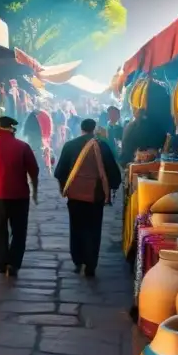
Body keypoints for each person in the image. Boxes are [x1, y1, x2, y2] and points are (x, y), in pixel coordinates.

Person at [54, 118, 122, 277]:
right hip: (95, 196)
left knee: (76, 227)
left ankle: (77, 260)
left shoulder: (70, 145)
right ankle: (91, 263)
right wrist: (113, 186)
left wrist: (65, 187)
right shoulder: (102, 145)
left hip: (75, 196)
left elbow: (59, 172)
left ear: (81, 128)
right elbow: (112, 170)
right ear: (94, 129)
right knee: (93, 228)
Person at [0, 115, 39, 276]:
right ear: (13, 130)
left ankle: (1, 263)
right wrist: (35, 192)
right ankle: (14, 263)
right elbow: (34, 171)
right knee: (19, 231)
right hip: (20, 195)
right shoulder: (23, 147)